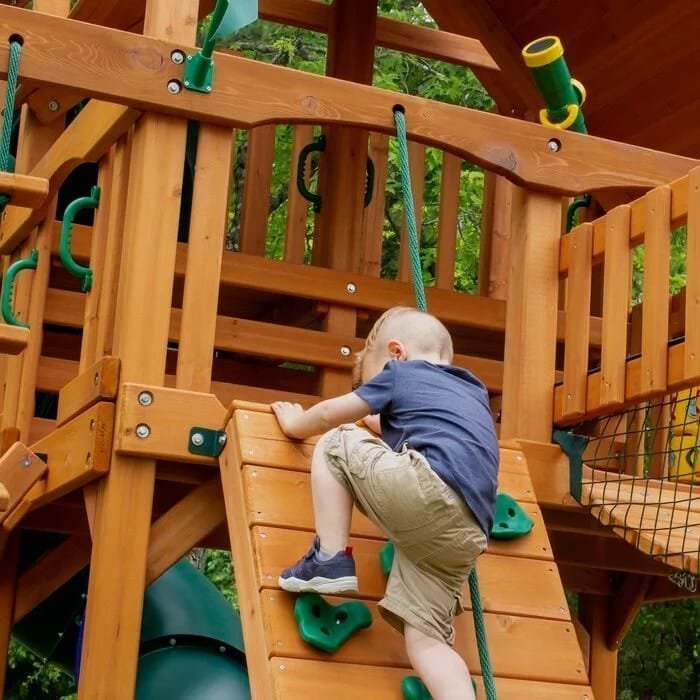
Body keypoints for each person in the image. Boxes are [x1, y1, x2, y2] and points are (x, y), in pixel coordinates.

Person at [271, 306, 499, 700]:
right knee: (426, 640)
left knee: (337, 440)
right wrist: (382, 422)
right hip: (470, 532)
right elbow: (428, 426)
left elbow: (329, 414)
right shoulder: (472, 391)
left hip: (430, 490)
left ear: (397, 353)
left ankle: (329, 557)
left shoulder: (400, 373)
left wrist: (296, 423)